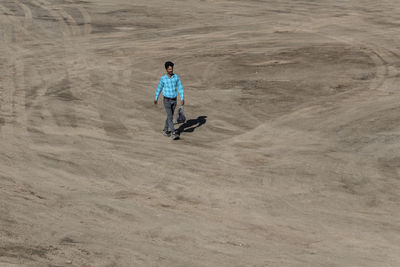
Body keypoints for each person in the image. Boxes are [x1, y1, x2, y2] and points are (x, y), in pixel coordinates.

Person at [154, 61, 185, 140]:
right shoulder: (163, 78)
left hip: (174, 101)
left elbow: (180, 87)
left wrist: (182, 98)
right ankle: (173, 133)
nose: (171, 70)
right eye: (169, 69)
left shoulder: (176, 77)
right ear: (166, 69)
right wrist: (156, 98)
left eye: (172, 69)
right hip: (166, 101)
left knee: (169, 116)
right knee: (170, 117)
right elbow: (159, 88)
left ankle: (165, 130)